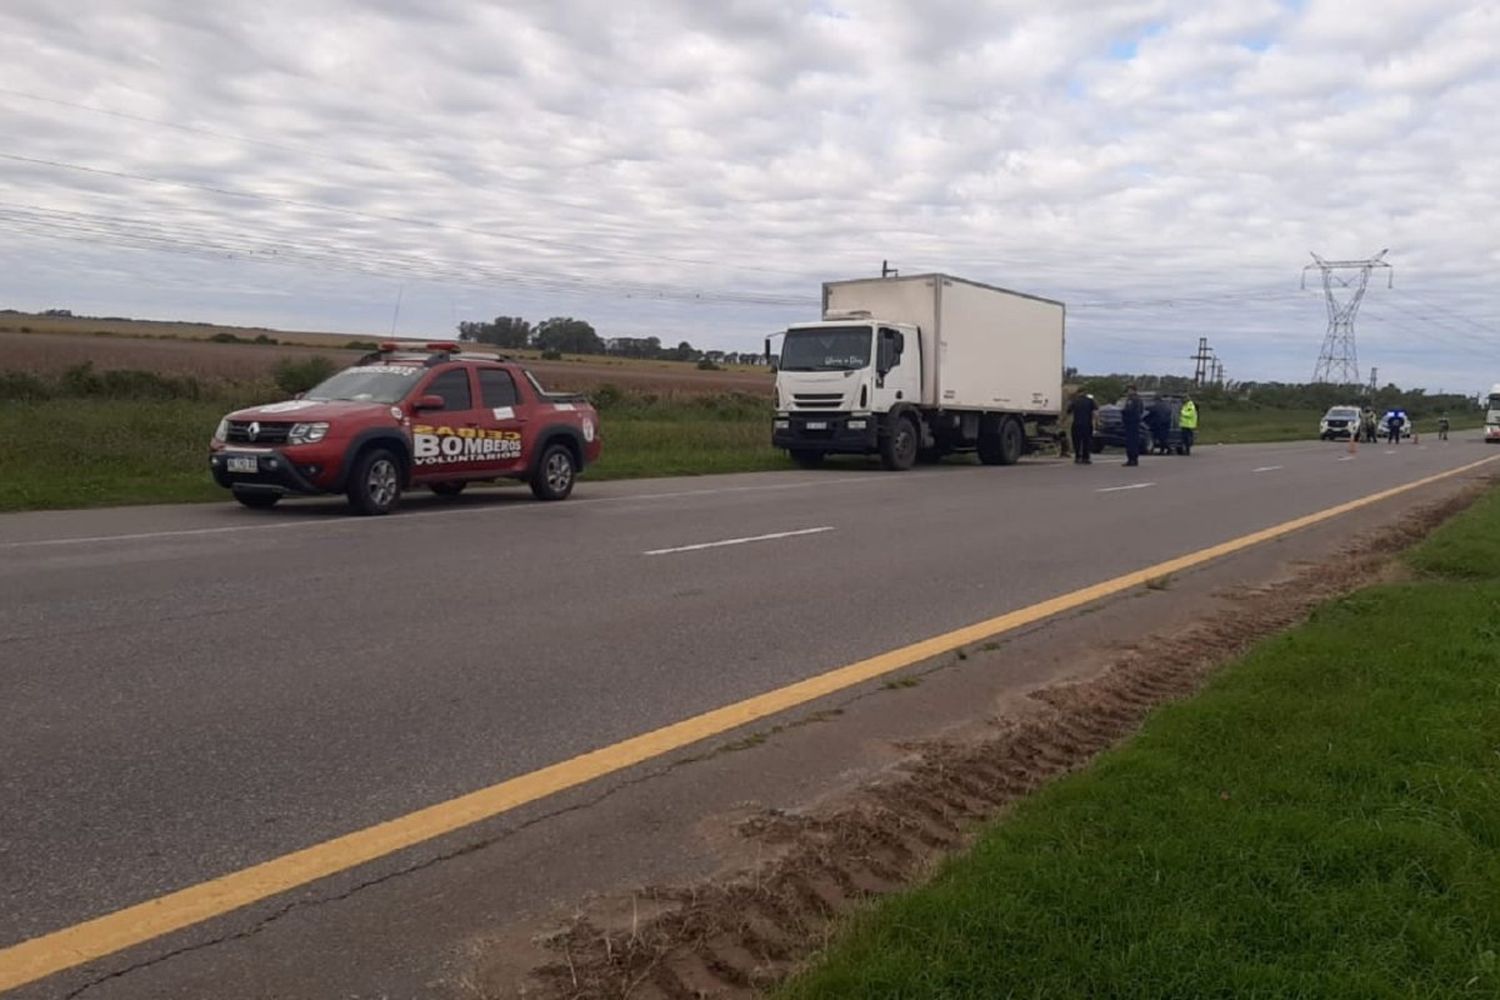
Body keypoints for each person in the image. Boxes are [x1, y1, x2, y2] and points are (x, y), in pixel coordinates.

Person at [1067, 390, 1097, 464]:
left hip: (1076, 424)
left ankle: (1077, 457)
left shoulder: (1074, 401)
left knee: (1077, 441)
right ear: (1085, 393)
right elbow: (1095, 412)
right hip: (1087, 424)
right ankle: (1086, 458)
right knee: (1086, 441)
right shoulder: (1090, 401)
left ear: (1078, 393)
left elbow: (1068, 412)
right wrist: (1096, 422)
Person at [1122, 385, 1144, 467]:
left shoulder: (1132, 399)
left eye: (1128, 390)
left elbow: (1129, 410)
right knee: (1134, 441)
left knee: (1130, 441)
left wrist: (1123, 411)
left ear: (1132, 390)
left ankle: (1131, 459)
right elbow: (1141, 410)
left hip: (1131, 422)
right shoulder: (1139, 399)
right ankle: (1134, 459)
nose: (1127, 392)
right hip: (1136, 422)